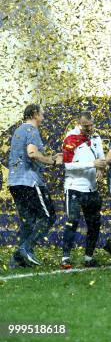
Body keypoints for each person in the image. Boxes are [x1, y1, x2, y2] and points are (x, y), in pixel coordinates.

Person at [8, 104, 62, 268]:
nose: (43, 118)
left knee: (28, 220)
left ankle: (17, 260)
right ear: (34, 114)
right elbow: (32, 153)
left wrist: (49, 157)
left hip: (15, 182)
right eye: (42, 114)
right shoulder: (32, 130)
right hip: (29, 181)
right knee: (48, 217)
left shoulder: (18, 131)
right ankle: (25, 249)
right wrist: (52, 161)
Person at [60, 112, 107, 269]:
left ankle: (89, 257)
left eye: (91, 125)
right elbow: (67, 165)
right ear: (78, 123)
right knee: (72, 220)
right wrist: (92, 164)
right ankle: (65, 257)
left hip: (91, 188)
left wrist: (101, 168)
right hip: (74, 187)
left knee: (94, 223)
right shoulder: (70, 138)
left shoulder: (96, 138)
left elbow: (101, 158)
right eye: (86, 126)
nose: (89, 129)